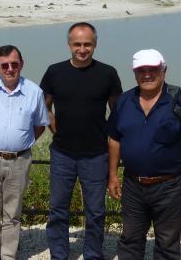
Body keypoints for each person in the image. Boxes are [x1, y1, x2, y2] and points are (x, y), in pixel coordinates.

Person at [107, 49, 181, 260]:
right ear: (135, 73)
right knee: (129, 240)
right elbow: (114, 138)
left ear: (164, 70)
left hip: (170, 186)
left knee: (166, 243)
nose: (147, 75)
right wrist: (113, 175)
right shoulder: (125, 101)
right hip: (133, 184)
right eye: (141, 70)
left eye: (153, 69)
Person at [40, 22, 123, 260]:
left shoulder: (108, 73)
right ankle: (59, 254)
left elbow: (116, 113)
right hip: (62, 153)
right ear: (69, 45)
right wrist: (56, 129)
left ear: (95, 45)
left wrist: (109, 139)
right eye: (77, 44)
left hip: (97, 154)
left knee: (96, 211)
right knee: (57, 209)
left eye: (87, 44)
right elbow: (44, 107)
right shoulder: (54, 71)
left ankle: (93, 254)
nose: (82, 49)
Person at [0, 45, 49, 260]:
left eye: (14, 64)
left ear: (21, 64)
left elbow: (40, 125)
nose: (10, 69)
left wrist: (19, 142)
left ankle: (8, 255)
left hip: (20, 159)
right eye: (4, 65)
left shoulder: (34, 92)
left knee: (12, 212)